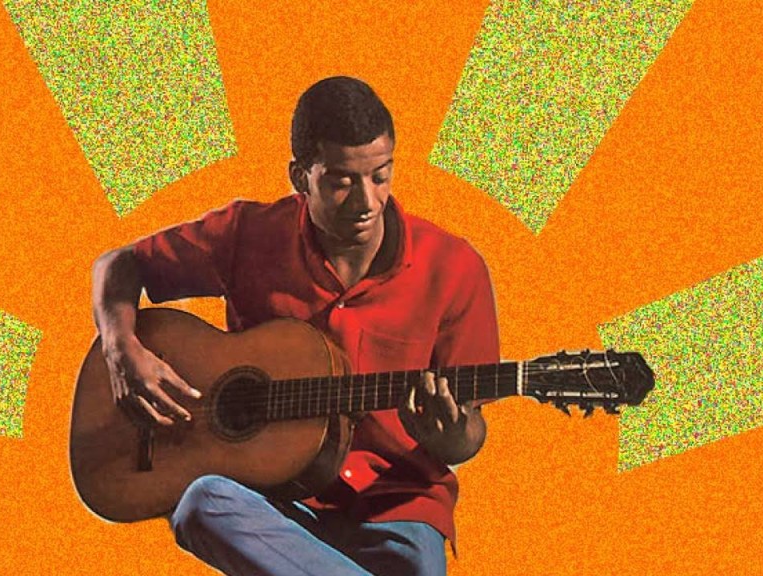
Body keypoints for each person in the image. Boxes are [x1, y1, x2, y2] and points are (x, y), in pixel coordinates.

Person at [91, 76, 500, 575]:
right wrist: (120, 348)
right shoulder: (247, 235)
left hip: (398, 505)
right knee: (201, 502)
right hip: (268, 502)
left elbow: (468, 437)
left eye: (380, 176)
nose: (366, 201)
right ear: (300, 176)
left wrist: (450, 434)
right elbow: (119, 265)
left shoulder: (454, 267)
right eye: (341, 180)